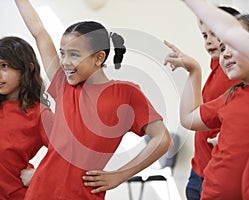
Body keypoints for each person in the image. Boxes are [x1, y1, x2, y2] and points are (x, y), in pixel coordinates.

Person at [13, 0, 172, 199]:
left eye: (74, 55)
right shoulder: (64, 86)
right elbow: (39, 32)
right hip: (40, 193)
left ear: (98, 58)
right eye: (62, 54)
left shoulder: (126, 93)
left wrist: (120, 175)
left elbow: (162, 139)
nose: (64, 62)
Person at [164, 13, 249, 199]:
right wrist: (194, 70)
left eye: (234, 44)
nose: (224, 53)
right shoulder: (232, 95)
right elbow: (189, 118)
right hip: (208, 191)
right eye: (223, 46)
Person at [0, 36, 53, 199]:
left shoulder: (40, 114)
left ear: (27, 68)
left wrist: (40, 174)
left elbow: (70, 157)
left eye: (4, 66)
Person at [185, 6, 241, 200]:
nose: (208, 41)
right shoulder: (216, 69)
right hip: (199, 169)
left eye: (214, 34)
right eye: (204, 35)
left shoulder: (235, 75)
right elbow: (196, 115)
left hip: (217, 173)